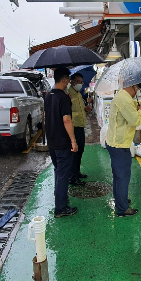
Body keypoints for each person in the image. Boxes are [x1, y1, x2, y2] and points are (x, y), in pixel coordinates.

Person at [107, 83, 141, 217]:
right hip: (119, 145)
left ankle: (120, 200)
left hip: (114, 142)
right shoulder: (124, 100)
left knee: (118, 175)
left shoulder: (124, 97)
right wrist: (140, 110)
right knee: (123, 177)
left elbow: (139, 103)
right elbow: (135, 120)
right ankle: (123, 209)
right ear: (133, 87)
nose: (137, 92)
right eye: (137, 89)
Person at [44, 67, 79, 218]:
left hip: (52, 142)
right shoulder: (63, 97)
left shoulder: (48, 96)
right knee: (63, 175)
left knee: (58, 172)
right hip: (62, 142)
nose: (69, 83)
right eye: (68, 80)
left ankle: (60, 199)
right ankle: (61, 208)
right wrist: (73, 140)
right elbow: (66, 120)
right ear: (64, 79)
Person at [69, 73, 92, 185]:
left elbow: (80, 108)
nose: (81, 84)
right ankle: (72, 177)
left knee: (80, 150)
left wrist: (86, 108)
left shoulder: (78, 94)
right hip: (73, 127)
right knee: (74, 152)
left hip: (80, 126)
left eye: (82, 82)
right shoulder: (68, 93)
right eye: (79, 81)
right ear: (72, 82)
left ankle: (76, 172)